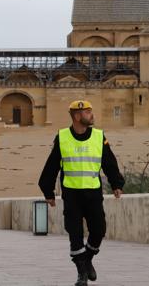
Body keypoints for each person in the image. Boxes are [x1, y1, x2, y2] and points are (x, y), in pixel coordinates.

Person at [38, 100, 125, 286]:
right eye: (87, 112)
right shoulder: (62, 137)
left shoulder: (99, 136)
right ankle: (81, 274)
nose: (91, 115)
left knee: (99, 230)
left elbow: (109, 162)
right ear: (77, 116)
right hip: (71, 195)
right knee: (74, 234)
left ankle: (88, 258)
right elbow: (52, 165)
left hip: (93, 194)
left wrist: (116, 183)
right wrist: (48, 191)